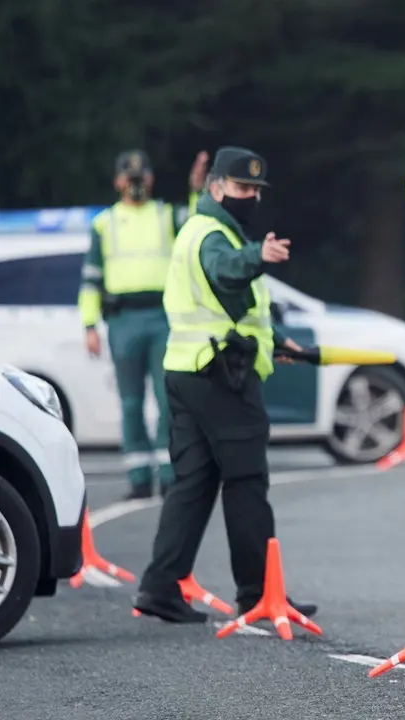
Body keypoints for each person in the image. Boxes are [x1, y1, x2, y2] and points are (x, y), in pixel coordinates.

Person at [133, 146, 317, 624]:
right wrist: (258, 254)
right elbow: (226, 271)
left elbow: (231, 306)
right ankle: (259, 592)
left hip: (187, 370)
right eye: (241, 188)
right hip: (220, 376)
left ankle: (159, 586)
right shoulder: (214, 237)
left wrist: (274, 340)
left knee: (193, 483)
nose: (250, 196)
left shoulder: (202, 228)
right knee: (247, 480)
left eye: (255, 189)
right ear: (215, 187)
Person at [80, 149, 209, 500]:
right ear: (118, 182)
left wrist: (196, 190)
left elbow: (199, 225)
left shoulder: (166, 215)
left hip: (161, 316)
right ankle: (139, 477)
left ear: (150, 179)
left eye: (141, 178)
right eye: (129, 178)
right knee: (131, 403)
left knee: (168, 398)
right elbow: (91, 278)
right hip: (123, 320)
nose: (135, 184)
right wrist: (89, 325)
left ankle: (170, 473)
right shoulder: (104, 224)